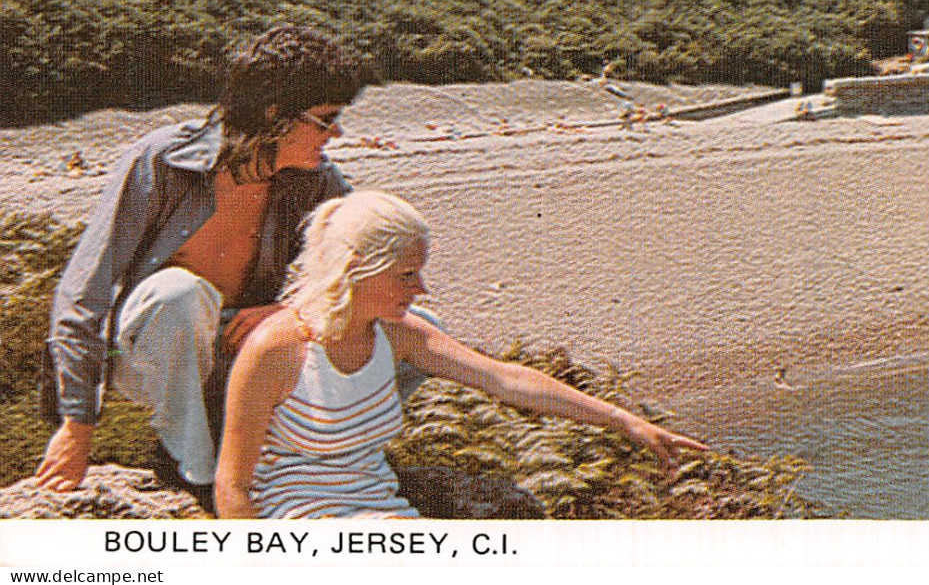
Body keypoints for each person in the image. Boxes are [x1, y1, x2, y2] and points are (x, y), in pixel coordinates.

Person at [214, 191, 707, 518]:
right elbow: (232, 487)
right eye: (407, 274)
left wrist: (626, 422)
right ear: (356, 268)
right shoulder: (277, 349)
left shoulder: (398, 335)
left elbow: (505, 379)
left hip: (383, 515)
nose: (422, 288)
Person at [36, 26, 367, 496]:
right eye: (325, 118)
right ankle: (195, 473)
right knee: (180, 293)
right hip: (147, 352)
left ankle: (327, 457)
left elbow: (371, 261)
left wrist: (295, 310)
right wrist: (76, 426)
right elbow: (82, 295)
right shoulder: (163, 161)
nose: (337, 132)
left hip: (243, 352)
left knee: (406, 318)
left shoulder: (316, 179)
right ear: (274, 114)